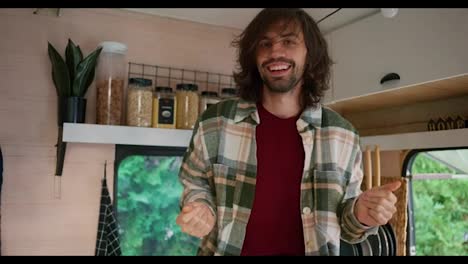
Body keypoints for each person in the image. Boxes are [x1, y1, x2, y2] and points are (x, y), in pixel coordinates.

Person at [176, 8, 401, 256]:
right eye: (265, 43)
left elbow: (347, 226)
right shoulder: (215, 122)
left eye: (288, 41)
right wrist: (200, 207)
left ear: (310, 54)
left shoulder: (343, 135)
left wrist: (362, 214)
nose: (275, 52)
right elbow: (195, 183)